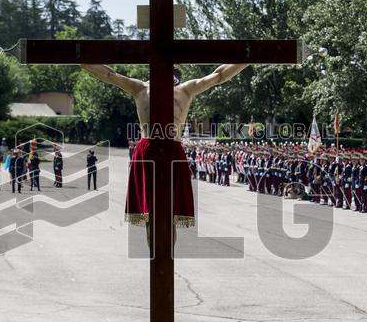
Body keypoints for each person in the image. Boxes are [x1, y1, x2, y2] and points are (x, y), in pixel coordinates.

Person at [80, 63, 248, 232]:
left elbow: (218, 75)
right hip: (148, 148)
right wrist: (81, 59)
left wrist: (246, 59)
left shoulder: (185, 89)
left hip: (172, 147)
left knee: (172, 211)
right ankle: (156, 250)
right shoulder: (140, 88)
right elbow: (109, 75)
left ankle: (166, 253)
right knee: (149, 214)